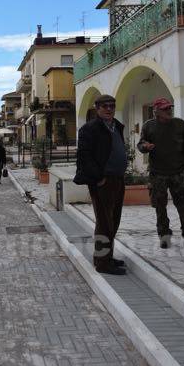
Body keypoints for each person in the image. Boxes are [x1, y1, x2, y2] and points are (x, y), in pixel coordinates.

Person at [74, 94, 127, 275]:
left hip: (118, 179)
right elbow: (84, 156)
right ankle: (103, 264)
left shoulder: (116, 126)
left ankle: (106, 257)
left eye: (112, 105)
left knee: (114, 221)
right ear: (97, 108)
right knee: (105, 223)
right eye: (104, 106)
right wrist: (98, 178)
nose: (109, 109)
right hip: (103, 181)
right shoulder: (89, 129)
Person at [137, 97, 184, 249]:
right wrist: (145, 146)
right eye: (165, 108)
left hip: (178, 172)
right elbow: (140, 144)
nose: (168, 110)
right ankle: (164, 235)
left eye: (169, 108)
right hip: (158, 173)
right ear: (156, 111)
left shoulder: (180, 124)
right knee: (160, 206)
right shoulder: (148, 126)